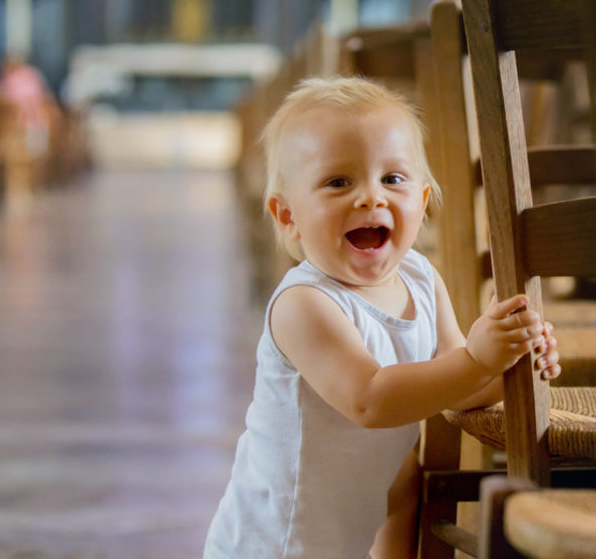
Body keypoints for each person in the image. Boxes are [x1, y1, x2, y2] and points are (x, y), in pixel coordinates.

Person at [204, 77, 562, 559]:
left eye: (392, 179)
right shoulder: (304, 303)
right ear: (288, 217)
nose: (370, 197)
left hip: (348, 530)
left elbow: (452, 383)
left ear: (423, 201)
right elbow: (371, 400)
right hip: (274, 544)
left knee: (404, 476)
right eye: (339, 182)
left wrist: (509, 362)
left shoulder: (420, 278)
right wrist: (478, 361)